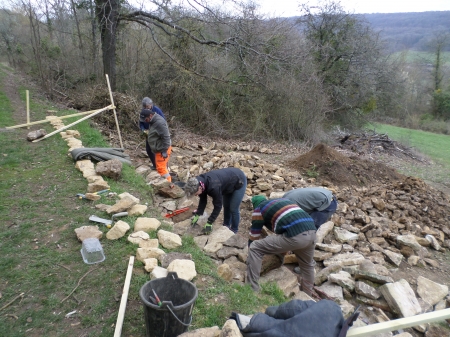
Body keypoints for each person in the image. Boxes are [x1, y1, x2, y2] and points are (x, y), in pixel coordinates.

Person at [246, 195, 317, 296]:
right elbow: (285, 230)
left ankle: (251, 289)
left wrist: (249, 254)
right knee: (307, 264)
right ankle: (307, 296)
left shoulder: (259, 209)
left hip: (296, 236)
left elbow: (254, 236)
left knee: (255, 247)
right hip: (312, 232)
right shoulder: (282, 202)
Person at [184, 168, 247, 234]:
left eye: (196, 194)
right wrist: (198, 213)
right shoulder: (199, 183)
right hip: (227, 183)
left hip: (239, 180)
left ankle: (234, 230)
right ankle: (226, 226)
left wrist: (210, 222)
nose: (196, 196)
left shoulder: (213, 187)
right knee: (226, 206)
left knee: (233, 208)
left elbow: (218, 206)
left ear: (199, 188)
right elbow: (203, 200)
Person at [140, 108, 172, 182]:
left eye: (146, 119)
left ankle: (168, 186)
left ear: (150, 115)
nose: (145, 121)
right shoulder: (153, 120)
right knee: (162, 167)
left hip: (162, 149)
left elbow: (166, 137)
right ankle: (166, 184)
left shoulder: (159, 122)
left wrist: (164, 151)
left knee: (161, 168)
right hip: (160, 148)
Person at [139, 97, 166, 170]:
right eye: (144, 107)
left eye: (147, 107)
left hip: (156, 133)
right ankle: (155, 165)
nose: (146, 108)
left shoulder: (156, 110)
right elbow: (141, 122)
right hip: (148, 134)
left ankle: (162, 166)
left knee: (158, 150)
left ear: (151, 105)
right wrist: (143, 129)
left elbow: (163, 122)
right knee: (148, 150)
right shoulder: (143, 112)